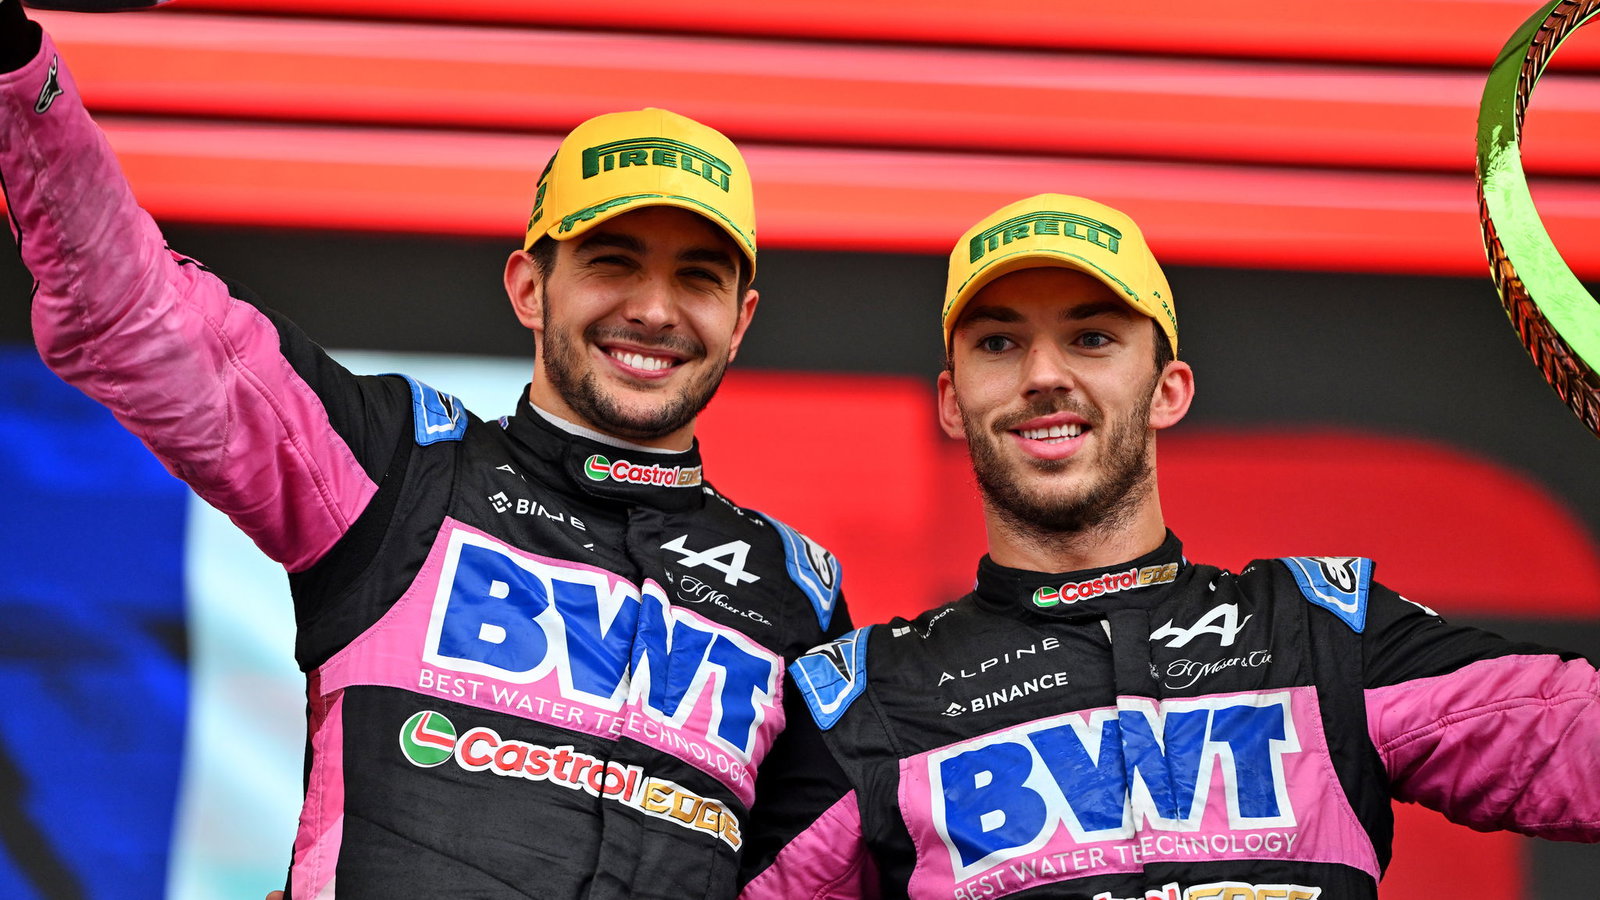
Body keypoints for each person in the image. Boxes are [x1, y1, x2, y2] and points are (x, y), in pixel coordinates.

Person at [1, 4, 851, 897]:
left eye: (698, 277)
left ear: (740, 321)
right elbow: (137, 316)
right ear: (529, 288)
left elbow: (830, 874)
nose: (652, 309)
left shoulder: (795, 597)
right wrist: (19, 71)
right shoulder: (398, 468)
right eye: (612, 261)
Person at [742, 194, 1600, 899]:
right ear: (952, 402)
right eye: (999, 343)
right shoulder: (872, 699)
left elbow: (1574, 742)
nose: (1044, 374)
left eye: (1092, 337)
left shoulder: (1319, 630)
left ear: (1169, 390)